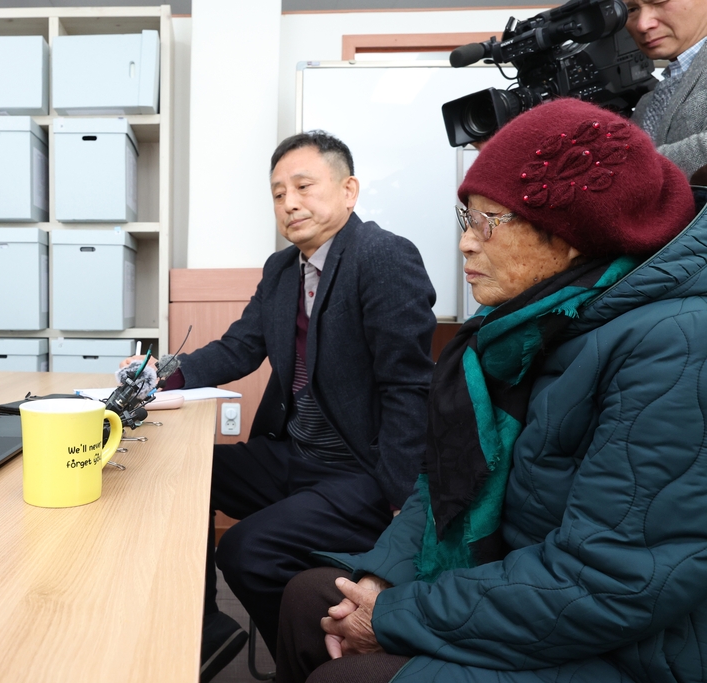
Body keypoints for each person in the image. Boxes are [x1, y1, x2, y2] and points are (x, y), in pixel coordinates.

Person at [274, 98, 705, 683]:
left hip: (626, 645)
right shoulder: (524, 324)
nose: (465, 245)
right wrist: (383, 578)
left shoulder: (673, 345)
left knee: (344, 674)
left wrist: (393, 616)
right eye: (465, 221)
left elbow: (611, 583)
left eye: (486, 223)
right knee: (310, 602)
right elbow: (444, 480)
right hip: (526, 582)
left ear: (574, 232)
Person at [123, 131, 436, 680]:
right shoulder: (280, 269)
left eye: (303, 186)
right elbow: (240, 347)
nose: (288, 202)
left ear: (348, 191)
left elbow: (407, 387)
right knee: (180, 472)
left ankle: (308, 666)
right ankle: (205, 628)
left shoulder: (383, 256)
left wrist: (401, 501)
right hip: (296, 454)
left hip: (360, 471)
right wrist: (159, 377)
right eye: (276, 193)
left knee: (245, 550)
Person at [627, 0, 707, 177]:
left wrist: (625, 169)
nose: (643, 25)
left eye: (659, 1)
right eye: (632, 10)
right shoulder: (646, 102)